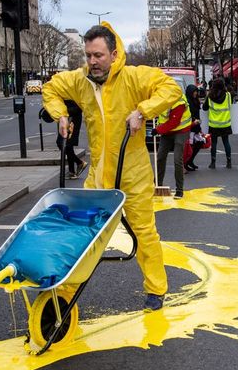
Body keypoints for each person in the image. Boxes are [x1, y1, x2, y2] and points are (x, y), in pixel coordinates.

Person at [42, 23, 182, 311]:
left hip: (133, 174)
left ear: (114, 54)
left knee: (144, 232)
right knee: (82, 233)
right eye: (89, 55)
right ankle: (66, 291)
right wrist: (61, 115)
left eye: (99, 55)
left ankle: (156, 290)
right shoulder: (80, 81)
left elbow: (171, 88)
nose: (92, 62)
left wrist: (141, 111)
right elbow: (51, 88)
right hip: (98, 176)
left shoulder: (133, 78)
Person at [155, 89, 191, 198]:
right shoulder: (159, 97)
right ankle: (157, 185)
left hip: (181, 130)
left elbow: (174, 122)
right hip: (167, 131)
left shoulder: (179, 101)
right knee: (160, 157)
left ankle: (179, 189)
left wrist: (158, 130)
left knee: (177, 159)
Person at [203, 78, 233, 169]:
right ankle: (229, 162)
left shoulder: (210, 96)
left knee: (214, 143)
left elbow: (204, 108)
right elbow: (230, 105)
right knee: (226, 142)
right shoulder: (228, 95)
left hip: (214, 124)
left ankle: (213, 163)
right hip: (225, 123)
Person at [57, 100, 88, 180]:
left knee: (66, 144)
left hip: (73, 118)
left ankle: (74, 169)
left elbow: (79, 107)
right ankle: (76, 167)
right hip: (66, 117)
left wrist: (64, 110)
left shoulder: (73, 90)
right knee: (63, 144)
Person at [184, 84, 203, 171]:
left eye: (196, 91)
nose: (196, 93)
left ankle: (190, 161)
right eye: (194, 91)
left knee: (200, 142)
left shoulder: (195, 100)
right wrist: (193, 121)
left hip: (196, 126)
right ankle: (186, 163)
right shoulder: (187, 102)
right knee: (190, 147)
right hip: (190, 127)